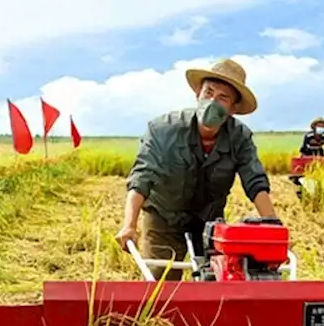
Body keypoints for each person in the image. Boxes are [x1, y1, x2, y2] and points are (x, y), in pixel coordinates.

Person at [115, 58, 277, 280]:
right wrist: (129, 225)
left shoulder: (240, 137)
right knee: (160, 283)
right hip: (164, 219)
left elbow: (255, 181)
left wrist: (273, 229)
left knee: (213, 282)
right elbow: (142, 177)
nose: (212, 101)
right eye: (208, 93)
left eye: (222, 98)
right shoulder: (164, 130)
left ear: (233, 108)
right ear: (197, 94)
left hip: (209, 223)